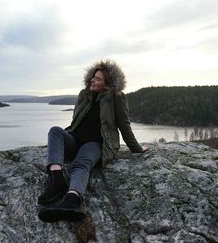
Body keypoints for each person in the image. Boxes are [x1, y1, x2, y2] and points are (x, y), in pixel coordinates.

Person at [38, 59, 148, 223]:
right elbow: (76, 120)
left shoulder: (116, 98)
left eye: (97, 79)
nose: (92, 81)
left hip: (96, 143)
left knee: (81, 164)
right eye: (93, 77)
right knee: (55, 131)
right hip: (75, 139)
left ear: (107, 83)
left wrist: (137, 148)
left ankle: (72, 199)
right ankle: (56, 180)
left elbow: (124, 125)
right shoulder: (84, 94)